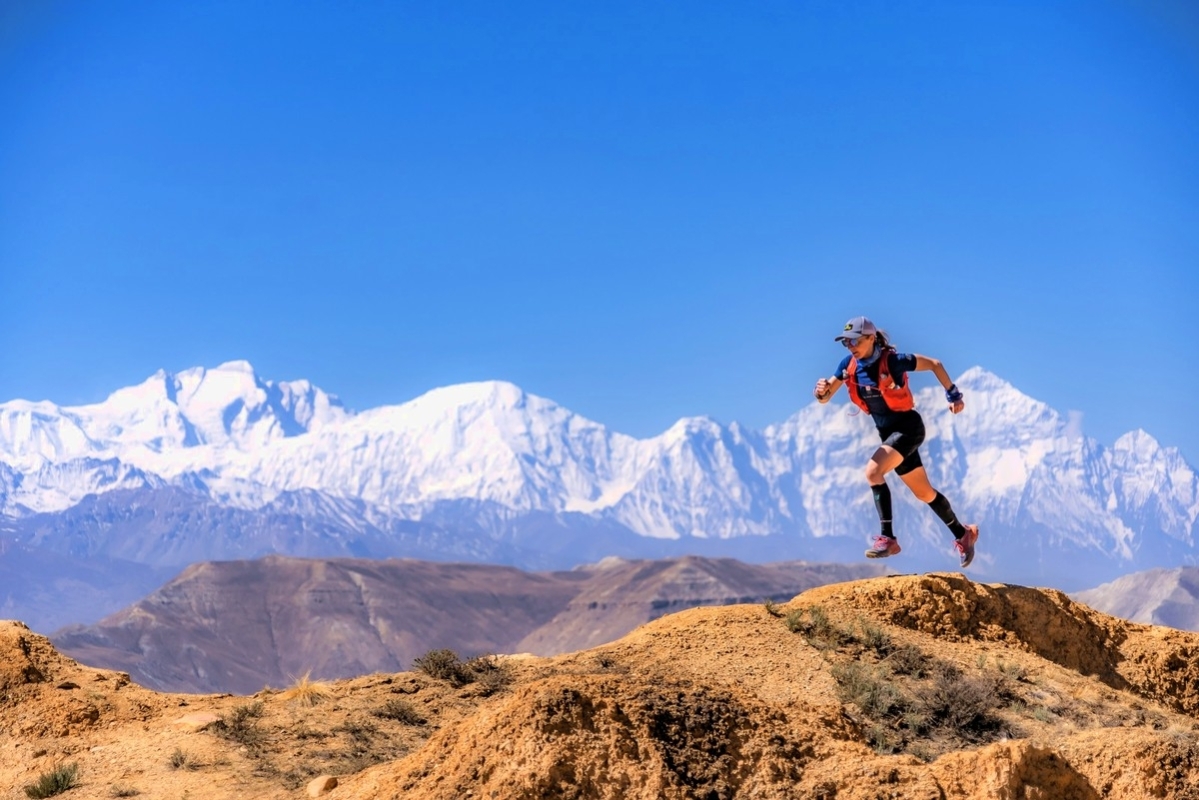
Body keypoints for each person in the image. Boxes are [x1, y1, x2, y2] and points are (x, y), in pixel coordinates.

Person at [813, 316, 979, 568]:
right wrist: (820, 392)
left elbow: (935, 364)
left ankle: (888, 538)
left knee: (873, 472)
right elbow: (825, 396)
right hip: (889, 436)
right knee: (924, 493)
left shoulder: (893, 361)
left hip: (909, 428)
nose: (850, 346)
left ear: (871, 338)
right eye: (846, 342)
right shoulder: (848, 365)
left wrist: (953, 395)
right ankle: (963, 533)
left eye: (855, 341)